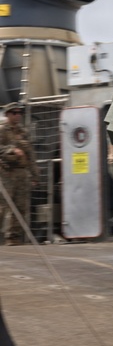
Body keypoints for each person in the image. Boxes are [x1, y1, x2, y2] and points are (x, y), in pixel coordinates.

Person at [0, 103, 39, 246]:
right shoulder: (2, 130)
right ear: (7, 114)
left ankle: (13, 237)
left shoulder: (24, 132)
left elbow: (30, 155)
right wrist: (11, 149)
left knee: (21, 206)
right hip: (6, 173)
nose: (18, 115)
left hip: (22, 173)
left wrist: (35, 175)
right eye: (14, 113)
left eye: (19, 113)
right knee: (3, 206)